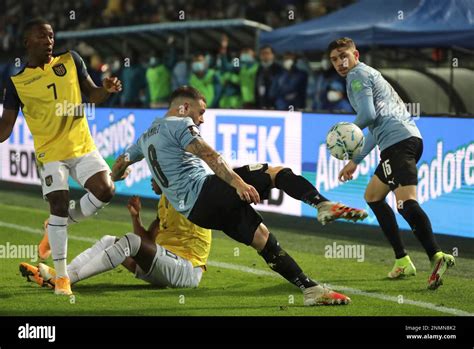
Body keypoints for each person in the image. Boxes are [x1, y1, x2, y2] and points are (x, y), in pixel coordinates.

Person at [110, 86, 369, 306]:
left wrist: (117, 175)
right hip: (207, 192)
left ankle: (309, 289)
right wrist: (238, 183)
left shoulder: (145, 137)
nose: (201, 119)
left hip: (199, 213)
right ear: (185, 107)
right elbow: (209, 155)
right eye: (201, 113)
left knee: (263, 240)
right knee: (274, 172)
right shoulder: (181, 123)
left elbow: (120, 164)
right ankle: (322, 204)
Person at [0, 18, 122, 296]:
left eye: (52, 36)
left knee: (106, 190)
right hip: (50, 153)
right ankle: (63, 278)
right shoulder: (17, 82)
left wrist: (107, 89)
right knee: (59, 202)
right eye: (42, 37)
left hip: (82, 146)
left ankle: (58, 226)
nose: (49, 41)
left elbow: (92, 94)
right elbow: (5, 127)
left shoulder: (71, 61)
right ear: (27, 42)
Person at [331, 37, 455, 289]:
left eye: (344, 55)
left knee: (406, 204)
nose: (340, 62)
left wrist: (347, 133)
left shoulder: (357, 75)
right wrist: (356, 159)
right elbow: (375, 126)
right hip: (402, 140)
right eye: (334, 59)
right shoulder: (366, 74)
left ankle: (437, 256)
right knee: (374, 196)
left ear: (356, 54)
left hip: (399, 143)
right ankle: (402, 261)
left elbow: (367, 116)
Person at [20, 179, 212, 290]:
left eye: (154, 176)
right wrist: (135, 217)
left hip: (187, 270)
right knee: (109, 241)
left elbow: (138, 244)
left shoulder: (187, 195)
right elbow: (146, 242)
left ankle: (63, 281)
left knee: (129, 241)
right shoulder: (164, 201)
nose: (151, 181)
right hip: (163, 267)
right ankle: (60, 275)